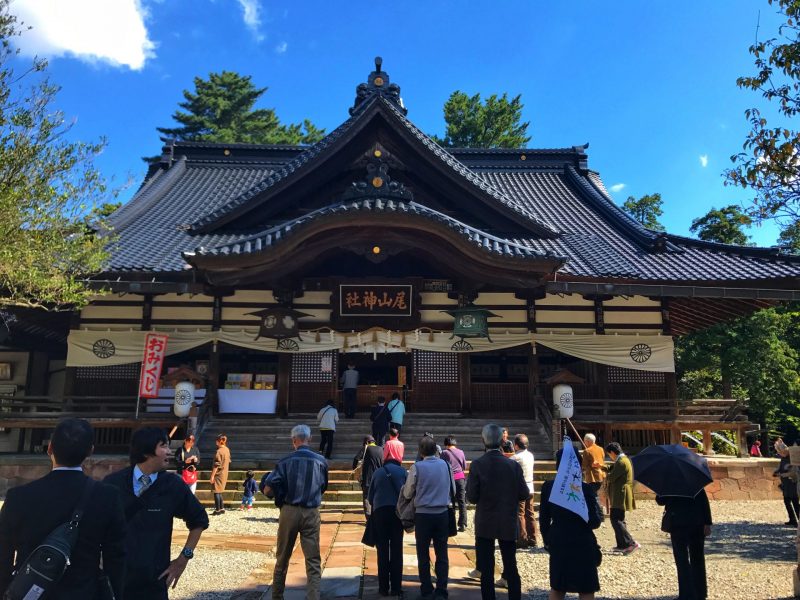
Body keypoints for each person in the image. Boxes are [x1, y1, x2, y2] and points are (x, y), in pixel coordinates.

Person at [0, 418, 126, 599]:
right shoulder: (108, 497)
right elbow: (116, 557)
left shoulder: (18, 497)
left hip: (30, 592)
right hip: (83, 592)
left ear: (50, 448)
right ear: (90, 451)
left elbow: (3, 555)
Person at [104, 426, 209, 599]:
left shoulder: (172, 485)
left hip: (154, 580)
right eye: (163, 446)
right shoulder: (113, 484)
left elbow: (199, 520)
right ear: (146, 451)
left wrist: (183, 559)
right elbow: (96, 525)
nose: (169, 451)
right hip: (114, 580)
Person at [261, 424, 328, 600]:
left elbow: (268, 490)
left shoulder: (284, 462)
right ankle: (313, 596)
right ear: (310, 439)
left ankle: (277, 596)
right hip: (311, 511)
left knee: (282, 557)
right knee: (313, 560)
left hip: (289, 511)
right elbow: (323, 487)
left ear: (293, 440)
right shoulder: (321, 461)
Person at [467, 424, 530, 600]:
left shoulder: (478, 465)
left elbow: (471, 496)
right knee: (511, 565)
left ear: (483, 441)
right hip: (507, 519)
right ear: (502, 440)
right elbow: (524, 493)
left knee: (486, 568)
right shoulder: (513, 466)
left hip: (485, 520)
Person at [539, 448, 604, 600]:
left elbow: (544, 519)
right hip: (582, 539)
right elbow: (595, 521)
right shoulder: (585, 489)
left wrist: (548, 540)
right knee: (586, 588)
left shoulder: (549, 487)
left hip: (559, 538)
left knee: (558, 587)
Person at [402, 435, 454, 600]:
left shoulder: (417, 467)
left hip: (423, 514)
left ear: (421, 451)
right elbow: (452, 489)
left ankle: (426, 588)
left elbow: (408, 492)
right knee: (442, 552)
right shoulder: (446, 465)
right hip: (442, 513)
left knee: (422, 553)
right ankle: (441, 588)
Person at [367, 437, 408, 597]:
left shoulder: (378, 473)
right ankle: (396, 587)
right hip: (397, 513)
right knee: (397, 549)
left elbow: (370, 498)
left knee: (382, 550)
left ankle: (383, 588)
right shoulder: (404, 472)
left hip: (380, 514)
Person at [657, 490, 712, 600]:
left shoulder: (669, 482)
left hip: (678, 523)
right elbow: (703, 501)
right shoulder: (694, 478)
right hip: (697, 522)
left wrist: (661, 490)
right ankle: (700, 593)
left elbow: (660, 500)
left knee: (682, 561)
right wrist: (707, 522)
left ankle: (686, 594)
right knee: (698, 559)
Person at [604, 442, 639, 554]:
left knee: (616, 519)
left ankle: (630, 543)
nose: (610, 457)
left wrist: (605, 476)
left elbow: (612, 477)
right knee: (619, 519)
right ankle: (622, 544)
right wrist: (603, 467)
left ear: (613, 452)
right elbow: (613, 468)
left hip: (620, 493)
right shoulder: (623, 460)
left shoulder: (621, 462)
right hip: (621, 492)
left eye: (610, 454)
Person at [512, 433, 537, 548]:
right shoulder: (530, 455)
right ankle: (533, 538)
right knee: (530, 513)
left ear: (516, 446)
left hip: (520, 488)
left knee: (520, 513)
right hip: (530, 486)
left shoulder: (515, 458)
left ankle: (522, 539)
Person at [441, 435, 468, 532]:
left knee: (450, 501)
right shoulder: (461, 452)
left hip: (450, 479)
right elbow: (464, 466)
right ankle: (463, 524)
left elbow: (442, 466)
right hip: (461, 478)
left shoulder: (444, 453)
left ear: (446, 444)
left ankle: (451, 524)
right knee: (462, 501)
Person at [353, 435, 384, 516]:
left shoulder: (366, 448)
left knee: (366, 498)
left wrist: (355, 469)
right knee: (377, 497)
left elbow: (356, 459)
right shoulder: (381, 449)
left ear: (366, 442)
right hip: (379, 479)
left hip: (368, 478)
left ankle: (369, 517)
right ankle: (376, 516)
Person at [774, 444, 799, 526]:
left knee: (795, 502)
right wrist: (776, 471)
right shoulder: (783, 458)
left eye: (781, 452)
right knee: (787, 501)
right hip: (786, 484)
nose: (780, 453)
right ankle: (792, 519)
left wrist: (781, 475)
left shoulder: (793, 459)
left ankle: (798, 520)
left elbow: (794, 473)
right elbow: (780, 467)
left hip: (793, 483)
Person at [581, 433, 606, 513]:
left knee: (593, 495)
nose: (584, 443)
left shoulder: (587, 451)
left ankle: (598, 514)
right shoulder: (601, 449)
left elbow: (584, 465)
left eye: (585, 441)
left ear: (587, 441)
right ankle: (600, 512)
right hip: (601, 474)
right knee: (598, 495)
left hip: (592, 476)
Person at [209, 433, 231, 515]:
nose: (215, 442)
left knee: (216, 492)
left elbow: (216, 465)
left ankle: (217, 510)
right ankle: (222, 508)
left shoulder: (219, 451)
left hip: (218, 473)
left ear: (219, 441)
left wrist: (212, 476)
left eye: (216, 441)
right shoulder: (227, 449)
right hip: (225, 473)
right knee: (220, 491)